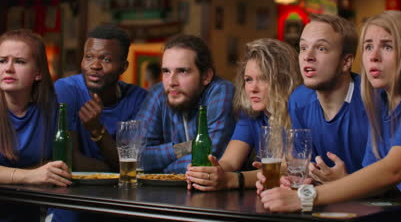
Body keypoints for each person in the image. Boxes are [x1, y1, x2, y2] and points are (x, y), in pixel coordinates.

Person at [259, 10, 401, 222]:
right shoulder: (381, 103)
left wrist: (303, 197)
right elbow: (376, 180)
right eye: (368, 46)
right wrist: (336, 182)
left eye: (387, 46)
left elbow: (393, 170)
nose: (373, 56)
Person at [49, 24, 147, 222]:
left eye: (106, 59)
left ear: (123, 66)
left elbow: (136, 164)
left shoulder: (139, 98)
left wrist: (97, 130)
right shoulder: (66, 90)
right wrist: (117, 171)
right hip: (72, 207)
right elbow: (68, 161)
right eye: (89, 57)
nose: (94, 65)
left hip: (121, 208)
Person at [185, 38, 302, 191]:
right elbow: (230, 162)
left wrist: (233, 180)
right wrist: (209, 172)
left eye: (263, 78)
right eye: (248, 80)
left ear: (285, 80)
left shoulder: (300, 111)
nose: (253, 88)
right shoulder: (251, 114)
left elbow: (289, 169)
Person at [283, 14, 368, 185]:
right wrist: (290, 180)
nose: (308, 56)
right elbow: (307, 170)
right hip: (327, 204)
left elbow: (393, 177)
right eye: (303, 47)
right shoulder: (299, 100)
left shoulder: (372, 100)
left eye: (321, 48)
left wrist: (345, 183)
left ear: (346, 62)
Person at [136, 34, 235, 174]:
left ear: (206, 76)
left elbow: (209, 159)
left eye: (182, 71)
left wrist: (159, 171)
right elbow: (137, 157)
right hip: (164, 194)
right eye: (166, 71)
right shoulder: (158, 93)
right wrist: (183, 148)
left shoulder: (220, 90)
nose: (171, 82)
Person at [0, 29, 71, 222]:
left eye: (20, 61)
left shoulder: (51, 111)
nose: (8, 68)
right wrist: (30, 175)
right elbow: (40, 172)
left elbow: (57, 166)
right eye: (2, 60)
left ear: (38, 72)